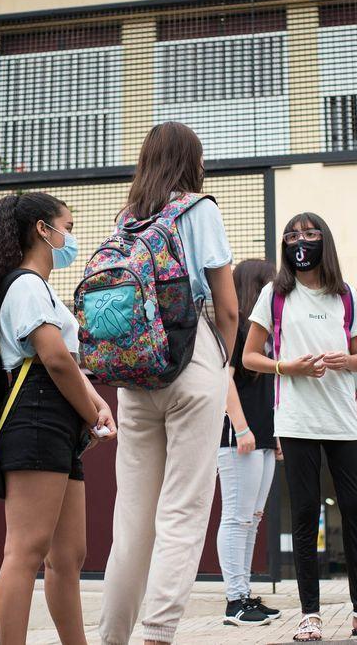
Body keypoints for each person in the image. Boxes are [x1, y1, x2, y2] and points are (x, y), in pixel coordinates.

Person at [0, 191, 117, 645]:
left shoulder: (39, 288)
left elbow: (66, 363)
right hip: (37, 416)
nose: (71, 237)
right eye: (69, 226)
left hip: (59, 420)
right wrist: (92, 413)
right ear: (44, 229)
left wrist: (94, 406)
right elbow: (54, 359)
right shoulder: (24, 285)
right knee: (25, 549)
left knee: (68, 554)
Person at [244, 214, 357, 641]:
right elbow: (249, 357)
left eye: (309, 234)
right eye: (292, 235)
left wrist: (346, 360)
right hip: (297, 419)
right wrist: (288, 366)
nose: (300, 241)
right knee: (305, 512)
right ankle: (310, 614)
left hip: (341, 417)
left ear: (326, 241)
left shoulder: (344, 295)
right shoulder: (275, 294)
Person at [99, 122, 239, 645]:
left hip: (134, 374)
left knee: (131, 518)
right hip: (191, 355)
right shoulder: (199, 210)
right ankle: (157, 634)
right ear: (192, 161)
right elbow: (226, 304)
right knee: (183, 507)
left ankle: (112, 636)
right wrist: (220, 358)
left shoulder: (126, 219)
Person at [217, 259, 280, 627]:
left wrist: (272, 437)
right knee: (237, 517)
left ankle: (244, 593)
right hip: (238, 435)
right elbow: (223, 379)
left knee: (252, 519)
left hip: (263, 436)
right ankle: (234, 600)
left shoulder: (263, 332)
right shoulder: (235, 328)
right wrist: (241, 428)